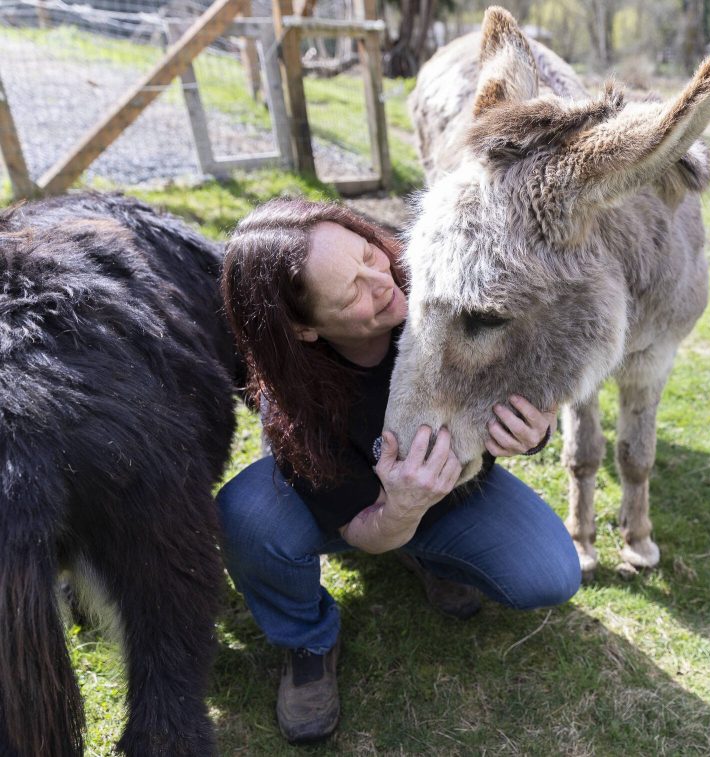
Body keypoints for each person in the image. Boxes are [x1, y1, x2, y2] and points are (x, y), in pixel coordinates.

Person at [216, 198, 581, 744]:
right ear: (306, 328)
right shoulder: (296, 403)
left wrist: (534, 431)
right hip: (363, 510)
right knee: (246, 516)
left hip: (456, 492)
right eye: (350, 292)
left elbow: (528, 366)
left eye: (368, 253)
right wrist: (402, 507)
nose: (381, 281)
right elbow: (365, 536)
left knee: (550, 575)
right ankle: (308, 641)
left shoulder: (438, 281)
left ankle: (432, 553)